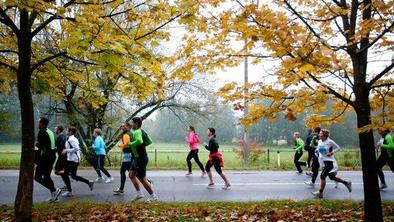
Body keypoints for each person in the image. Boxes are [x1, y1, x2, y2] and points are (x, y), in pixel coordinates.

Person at [312, 129, 352, 198]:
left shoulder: (330, 141)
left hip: (330, 162)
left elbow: (338, 148)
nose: (319, 134)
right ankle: (346, 183)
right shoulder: (319, 141)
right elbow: (318, 149)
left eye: (320, 133)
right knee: (332, 177)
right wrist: (316, 151)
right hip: (324, 161)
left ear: (324, 135)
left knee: (322, 176)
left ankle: (320, 193)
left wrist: (331, 152)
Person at [128, 117, 158, 201]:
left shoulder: (137, 132)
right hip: (138, 157)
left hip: (140, 158)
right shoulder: (142, 131)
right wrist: (141, 146)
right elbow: (149, 141)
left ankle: (153, 196)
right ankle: (139, 194)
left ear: (136, 124)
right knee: (131, 174)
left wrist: (131, 144)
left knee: (142, 179)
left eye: (132, 123)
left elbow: (140, 141)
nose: (131, 124)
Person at [61, 127, 94, 197]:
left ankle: (69, 191)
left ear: (70, 132)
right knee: (73, 176)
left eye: (67, 130)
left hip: (74, 160)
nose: (66, 131)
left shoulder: (71, 139)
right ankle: (89, 182)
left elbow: (76, 148)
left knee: (65, 174)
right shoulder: (71, 139)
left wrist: (66, 150)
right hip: (72, 159)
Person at [34, 117, 61, 202]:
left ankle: (54, 190)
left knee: (37, 177)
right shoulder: (50, 132)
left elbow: (39, 146)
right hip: (52, 156)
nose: (38, 124)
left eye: (39, 122)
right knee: (46, 176)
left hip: (45, 158)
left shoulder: (41, 132)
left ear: (42, 123)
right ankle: (55, 197)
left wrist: (36, 144)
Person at [113, 122, 133, 195]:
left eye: (123, 126)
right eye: (121, 126)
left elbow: (127, 145)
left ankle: (148, 182)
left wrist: (120, 145)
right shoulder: (130, 133)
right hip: (129, 154)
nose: (122, 127)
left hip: (128, 154)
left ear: (128, 126)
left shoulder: (126, 134)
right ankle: (121, 189)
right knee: (129, 172)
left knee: (126, 172)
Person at [54, 125, 68, 191]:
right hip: (63, 157)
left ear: (59, 130)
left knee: (56, 171)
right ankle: (67, 185)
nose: (55, 130)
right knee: (60, 171)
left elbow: (61, 148)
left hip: (62, 157)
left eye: (55, 129)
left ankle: (68, 173)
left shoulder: (60, 137)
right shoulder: (63, 137)